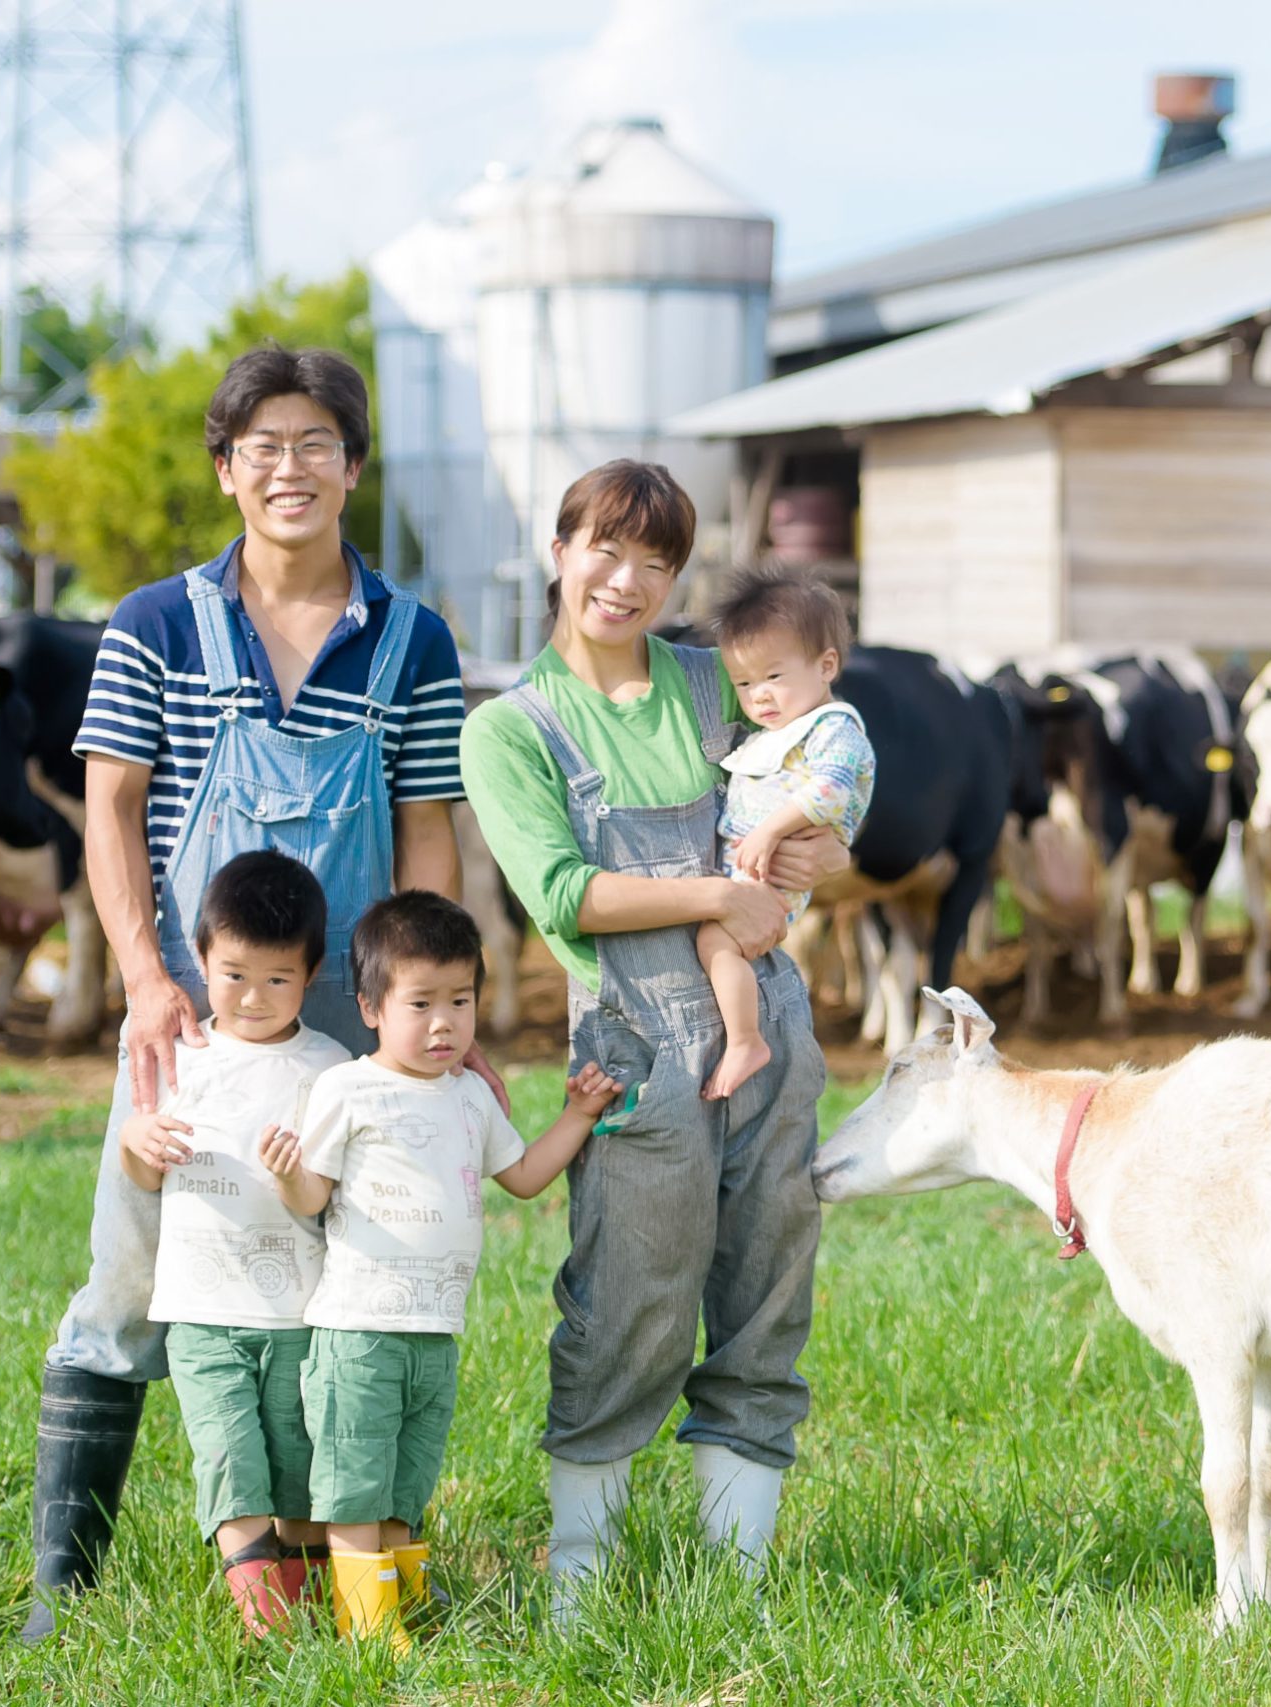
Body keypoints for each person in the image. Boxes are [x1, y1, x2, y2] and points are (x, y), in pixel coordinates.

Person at [23, 343, 500, 1644]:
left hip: (351, 1028)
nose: (290, 468)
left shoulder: (413, 638)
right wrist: (143, 980)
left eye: (316, 444)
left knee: (330, 1286)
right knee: (132, 1281)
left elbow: (427, 828)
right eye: (263, 447)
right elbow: (111, 810)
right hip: (192, 1018)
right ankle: (62, 1590)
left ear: (354, 465)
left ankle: (318, 1564)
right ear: (227, 470)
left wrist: (429, 1013)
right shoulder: (155, 624)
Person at [459, 459, 845, 1617]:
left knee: (770, 1283)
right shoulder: (510, 729)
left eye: (656, 561)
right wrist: (717, 896)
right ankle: (580, 1580)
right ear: (560, 550)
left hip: (768, 1017)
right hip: (633, 1044)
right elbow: (562, 893)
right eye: (606, 549)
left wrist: (824, 847)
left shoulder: (712, 680)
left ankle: (736, 1583)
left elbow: (822, 781)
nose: (626, 581)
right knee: (634, 1293)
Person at [271, 891, 614, 1651]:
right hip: (360, 1331)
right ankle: (367, 1628)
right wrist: (288, 1173)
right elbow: (312, 1196)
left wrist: (578, 1117)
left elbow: (522, 1176)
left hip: (435, 1333)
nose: (443, 1023)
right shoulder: (348, 1089)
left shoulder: (471, 1097)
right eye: (420, 1002)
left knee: (406, 1481)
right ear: (371, 1008)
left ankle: (408, 1599)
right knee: (356, 1481)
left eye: (460, 1000)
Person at [118, 850, 352, 1638]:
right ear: (201, 957)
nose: (253, 997)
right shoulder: (182, 1056)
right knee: (227, 1452)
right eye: (234, 975)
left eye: (278, 978)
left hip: (299, 1311)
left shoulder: (330, 1069)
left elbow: (328, 1196)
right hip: (202, 1307)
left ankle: (310, 1602)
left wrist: (294, 1175)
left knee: (297, 1461)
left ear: (312, 972)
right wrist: (137, 1143)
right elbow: (144, 1175)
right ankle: (266, 1623)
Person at [698, 567, 876, 1101]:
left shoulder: (835, 729)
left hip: (773, 872)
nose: (759, 697)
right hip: (752, 864)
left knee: (715, 940)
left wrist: (769, 831)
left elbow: (831, 790)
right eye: (744, 684)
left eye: (773, 677)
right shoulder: (777, 731)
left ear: (826, 666)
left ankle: (745, 1041)